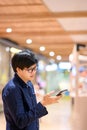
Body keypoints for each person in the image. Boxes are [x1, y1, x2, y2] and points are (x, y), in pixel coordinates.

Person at [2, 49, 62, 130]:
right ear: (18, 69)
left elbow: (32, 111)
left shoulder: (29, 83)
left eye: (35, 68)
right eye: (30, 70)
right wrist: (42, 103)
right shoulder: (12, 89)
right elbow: (21, 121)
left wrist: (44, 103)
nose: (33, 72)